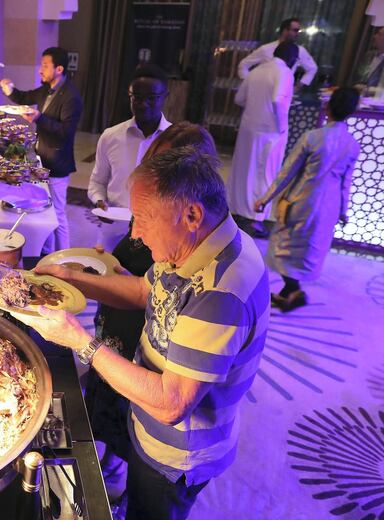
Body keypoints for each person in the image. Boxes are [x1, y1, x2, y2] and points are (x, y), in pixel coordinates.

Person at [26, 147, 269, 519]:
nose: (136, 234)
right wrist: (72, 279)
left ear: (191, 214)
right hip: (147, 423)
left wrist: (80, 341)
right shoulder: (194, 246)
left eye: (144, 218)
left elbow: (172, 404)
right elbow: (145, 291)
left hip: (177, 453)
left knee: (150, 509)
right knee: (135, 495)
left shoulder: (221, 294)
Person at [254, 87, 360, 312]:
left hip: (302, 201)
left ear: (327, 107)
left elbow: (287, 173)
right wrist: (343, 211)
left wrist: (266, 198)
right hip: (329, 205)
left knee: (284, 247)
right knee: (305, 250)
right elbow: (345, 183)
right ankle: (288, 292)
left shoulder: (312, 138)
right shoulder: (352, 145)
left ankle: (293, 291)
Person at [0, 46, 83, 253]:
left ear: (59, 69)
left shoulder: (71, 97)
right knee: (45, 214)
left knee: (58, 215)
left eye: (45, 66)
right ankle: (47, 251)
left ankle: (64, 255)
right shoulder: (46, 89)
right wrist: (9, 89)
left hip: (58, 163)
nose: (40, 70)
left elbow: (65, 132)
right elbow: (25, 97)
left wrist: (39, 118)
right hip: (42, 159)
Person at [88, 64, 171, 252]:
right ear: (129, 96)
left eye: (152, 98)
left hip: (157, 232)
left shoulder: (174, 140)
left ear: (165, 97)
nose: (143, 104)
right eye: (137, 98)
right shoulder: (111, 136)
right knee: (106, 275)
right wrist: (99, 201)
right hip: (114, 229)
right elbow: (97, 181)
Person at [228, 42, 298, 238]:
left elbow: (239, 99)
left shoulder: (257, 71)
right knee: (265, 174)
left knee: (243, 170)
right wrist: (282, 127)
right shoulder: (284, 72)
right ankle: (256, 220)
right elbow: (278, 100)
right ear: (292, 59)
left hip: (247, 129)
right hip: (270, 132)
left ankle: (237, 212)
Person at [238, 17, 318, 91]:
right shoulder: (266, 49)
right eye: (295, 30)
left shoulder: (300, 50)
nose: (297, 34)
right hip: (263, 90)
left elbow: (312, 68)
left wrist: (298, 86)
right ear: (285, 30)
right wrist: (249, 85)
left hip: (284, 92)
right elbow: (243, 65)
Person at [356, 26, 384, 91]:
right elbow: (358, 77)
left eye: (379, 34)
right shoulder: (369, 55)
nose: (374, 36)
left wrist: (368, 90)